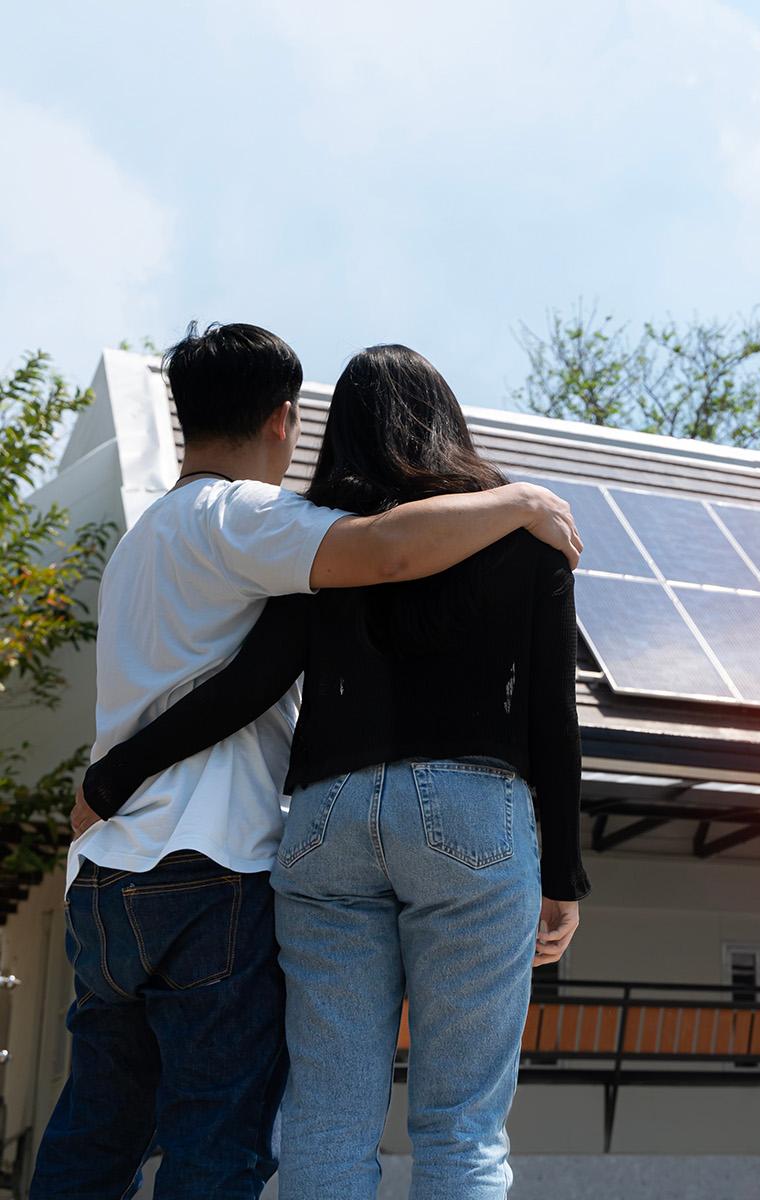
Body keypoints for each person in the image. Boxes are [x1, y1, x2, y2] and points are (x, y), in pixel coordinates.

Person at [31, 323, 583, 1200]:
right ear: (283, 417)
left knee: (198, 1124)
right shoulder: (279, 527)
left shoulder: (160, 541)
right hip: (234, 860)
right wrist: (521, 503)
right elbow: (546, 710)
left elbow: (255, 675)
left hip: (166, 860)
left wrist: (108, 778)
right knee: (445, 1127)